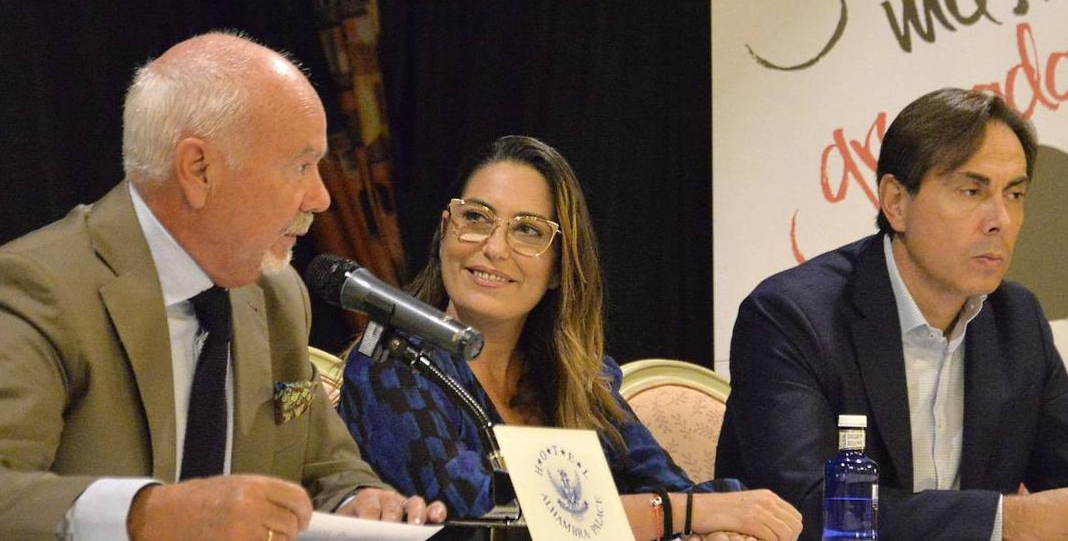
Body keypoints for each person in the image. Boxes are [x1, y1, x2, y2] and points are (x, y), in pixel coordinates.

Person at [0, 33, 446, 541]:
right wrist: (147, 514)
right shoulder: (44, 289)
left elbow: (325, 471)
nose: (321, 198)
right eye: (300, 166)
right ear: (199, 170)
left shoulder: (276, 294)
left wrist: (359, 501)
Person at [715, 88, 1068, 541]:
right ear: (896, 202)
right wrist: (1006, 522)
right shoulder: (792, 318)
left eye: (1014, 194)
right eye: (972, 191)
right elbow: (803, 509)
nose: (1000, 220)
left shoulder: (1016, 322)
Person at [339, 135, 804, 541]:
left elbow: (666, 483)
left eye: (527, 230)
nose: (494, 247)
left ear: (560, 267)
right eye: (477, 218)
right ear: (445, 231)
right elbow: (482, 514)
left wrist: (715, 520)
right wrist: (681, 516)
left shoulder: (582, 376)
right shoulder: (391, 362)